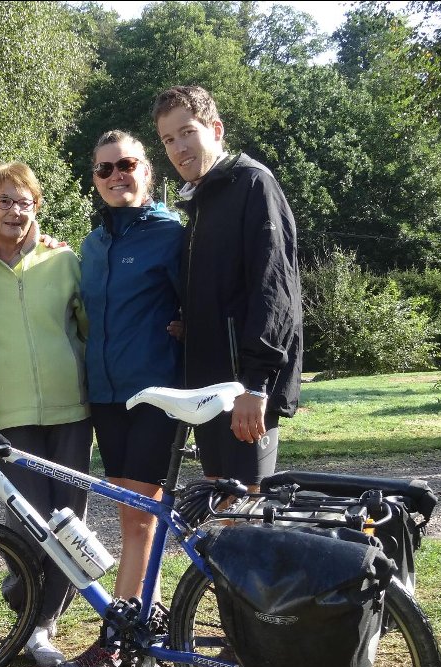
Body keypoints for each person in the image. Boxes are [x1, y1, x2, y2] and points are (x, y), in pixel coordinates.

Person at [52, 130, 184, 667]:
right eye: (104, 170)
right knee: (129, 515)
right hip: (106, 395)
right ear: (95, 180)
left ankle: (120, 636)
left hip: (154, 394)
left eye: (126, 165)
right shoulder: (92, 245)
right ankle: (134, 625)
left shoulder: (172, 234)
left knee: (139, 516)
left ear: (147, 172)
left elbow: (199, 303)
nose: (115, 176)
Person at [0, 161, 92, 667]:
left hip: (71, 411)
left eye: (25, 202)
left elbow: (86, 326)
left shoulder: (64, 261)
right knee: (28, 523)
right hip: (10, 414)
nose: (15, 211)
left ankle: (42, 626)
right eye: (4, 201)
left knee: (70, 524)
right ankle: (25, 596)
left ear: (37, 207)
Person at [152, 85, 303, 487]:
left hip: (246, 384)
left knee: (246, 507)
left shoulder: (253, 184)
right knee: (221, 503)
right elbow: (221, 287)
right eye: (168, 139)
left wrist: (256, 386)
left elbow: (275, 290)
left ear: (215, 129)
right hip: (209, 382)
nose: (179, 148)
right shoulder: (202, 200)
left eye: (187, 132)